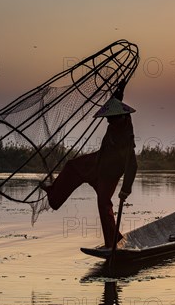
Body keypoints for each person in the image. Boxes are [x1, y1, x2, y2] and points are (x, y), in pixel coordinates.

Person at [43, 82, 137, 248]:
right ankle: (54, 195)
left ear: (120, 117)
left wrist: (125, 190)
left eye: (110, 118)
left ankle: (112, 242)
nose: (108, 121)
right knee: (72, 166)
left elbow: (132, 165)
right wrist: (120, 88)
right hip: (98, 161)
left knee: (103, 204)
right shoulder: (118, 117)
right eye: (107, 118)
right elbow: (115, 100)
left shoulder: (125, 135)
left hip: (110, 171)